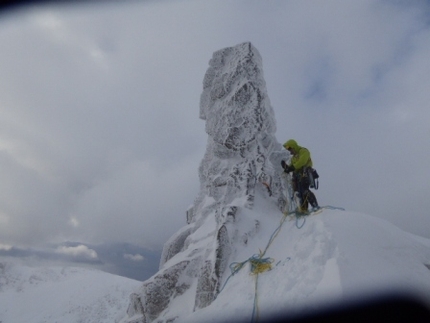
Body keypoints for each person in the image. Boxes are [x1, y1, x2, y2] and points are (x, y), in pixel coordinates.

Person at [281, 139, 319, 212]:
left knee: (304, 190)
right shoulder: (293, 158)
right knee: (298, 192)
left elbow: (302, 161)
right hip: (297, 176)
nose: (289, 151)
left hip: (305, 174)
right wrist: (286, 167)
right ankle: (303, 209)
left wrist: (291, 168)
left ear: (293, 146)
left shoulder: (304, 151)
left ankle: (315, 206)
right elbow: (291, 166)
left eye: (290, 148)